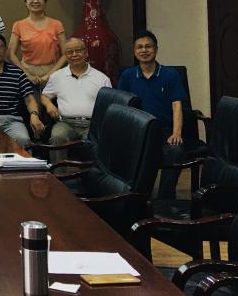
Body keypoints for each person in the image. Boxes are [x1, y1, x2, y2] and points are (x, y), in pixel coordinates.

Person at [117, 30, 186, 199]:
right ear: (134, 51)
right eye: (139, 47)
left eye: (148, 46)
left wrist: (176, 133)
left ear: (156, 49)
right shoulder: (128, 76)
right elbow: (121, 107)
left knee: (175, 151)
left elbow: (177, 106)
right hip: (138, 130)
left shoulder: (170, 75)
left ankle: (165, 198)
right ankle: (138, 197)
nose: (144, 50)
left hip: (164, 130)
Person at [40, 37, 112, 145]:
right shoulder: (57, 76)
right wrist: (49, 105)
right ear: (65, 55)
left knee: (94, 143)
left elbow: (109, 105)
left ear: (86, 53)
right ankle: (58, 158)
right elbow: (44, 95)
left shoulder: (102, 79)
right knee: (57, 137)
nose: (74, 55)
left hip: (92, 124)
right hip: (65, 123)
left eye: (78, 50)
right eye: (69, 52)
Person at [8, 0, 67, 89]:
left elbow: (65, 54)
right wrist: (27, 75)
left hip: (52, 72)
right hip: (26, 72)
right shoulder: (18, 25)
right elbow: (11, 54)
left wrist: (49, 75)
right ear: (25, 2)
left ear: (45, 2)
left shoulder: (56, 24)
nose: (35, 1)